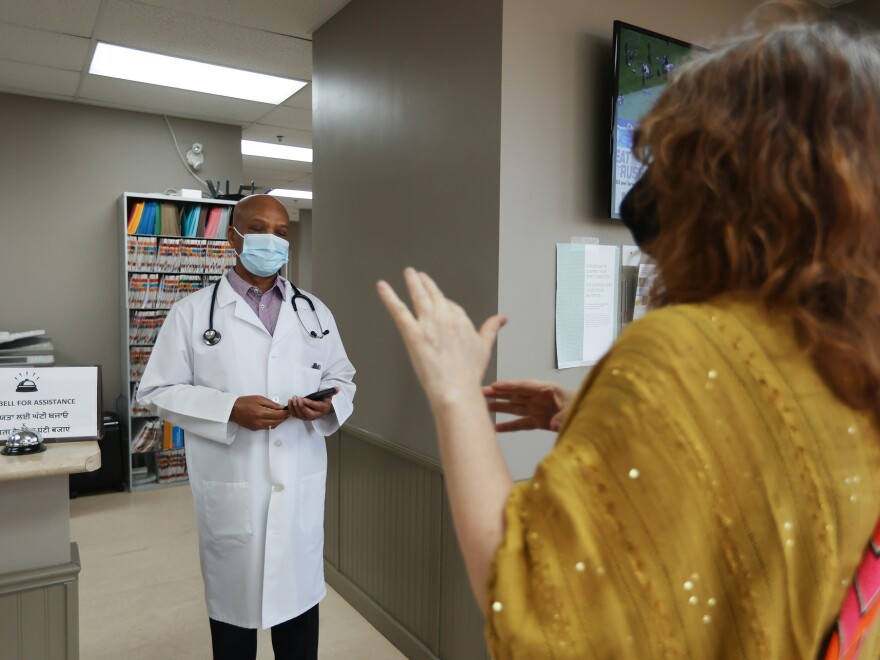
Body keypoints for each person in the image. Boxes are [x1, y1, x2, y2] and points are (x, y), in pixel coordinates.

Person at [377, 3, 880, 658]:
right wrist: (595, 418)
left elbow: (535, 609)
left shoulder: (687, 351)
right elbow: (760, 486)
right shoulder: (854, 360)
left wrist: (453, 391)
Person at [137, 194, 356, 660]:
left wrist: (328, 403)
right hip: (233, 488)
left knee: (299, 629)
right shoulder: (192, 313)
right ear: (233, 236)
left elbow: (342, 377)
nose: (272, 240)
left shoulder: (314, 312)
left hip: (297, 484)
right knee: (234, 631)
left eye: (281, 232)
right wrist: (229, 409)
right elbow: (156, 391)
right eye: (259, 228)